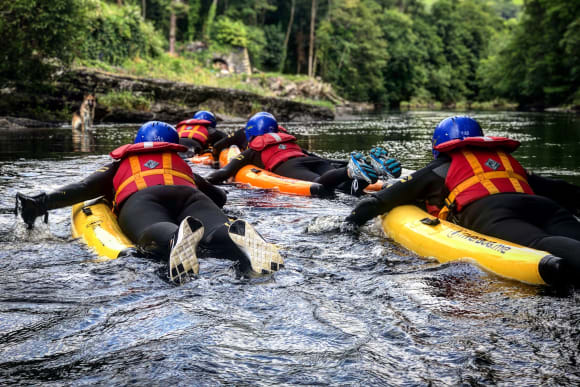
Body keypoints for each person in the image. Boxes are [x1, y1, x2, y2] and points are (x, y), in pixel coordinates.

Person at [15, 121, 284, 284]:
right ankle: (232, 235)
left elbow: (80, 189)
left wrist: (39, 203)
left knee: (153, 228)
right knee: (214, 228)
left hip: (143, 198)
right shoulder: (180, 165)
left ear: (139, 142)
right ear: (173, 144)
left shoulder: (120, 165)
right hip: (191, 196)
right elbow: (220, 196)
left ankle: (174, 238)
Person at [344, 116, 580, 285]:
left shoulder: (438, 169)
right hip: (545, 207)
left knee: (540, 241)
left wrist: (347, 226)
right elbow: (562, 190)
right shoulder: (503, 160)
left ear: (437, 146)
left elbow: (377, 202)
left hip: (493, 213)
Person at [207, 112, 402, 196]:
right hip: (308, 159)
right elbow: (314, 156)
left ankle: (350, 171)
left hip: (289, 166)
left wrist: (202, 181)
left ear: (251, 133)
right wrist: (339, 163)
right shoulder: (287, 140)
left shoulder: (252, 150)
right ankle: (373, 170)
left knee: (321, 182)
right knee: (345, 189)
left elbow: (224, 173)